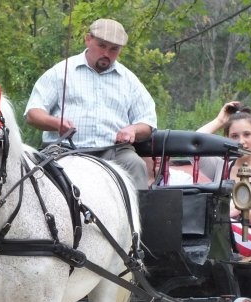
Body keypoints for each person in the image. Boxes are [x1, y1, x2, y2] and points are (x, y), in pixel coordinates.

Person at [24, 18, 157, 190]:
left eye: (114, 49)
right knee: (42, 173)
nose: (107, 54)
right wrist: (56, 123)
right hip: (65, 150)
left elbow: (148, 123)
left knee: (135, 165)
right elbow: (32, 114)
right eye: (102, 45)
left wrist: (133, 129)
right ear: (88, 39)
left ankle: (138, 217)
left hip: (114, 152)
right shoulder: (60, 72)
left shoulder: (129, 80)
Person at [197, 101, 251, 256]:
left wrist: (240, 210)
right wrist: (219, 121)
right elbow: (195, 147)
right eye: (234, 136)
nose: (241, 142)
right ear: (226, 139)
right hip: (219, 232)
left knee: (216, 224)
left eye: (247, 134)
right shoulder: (221, 166)